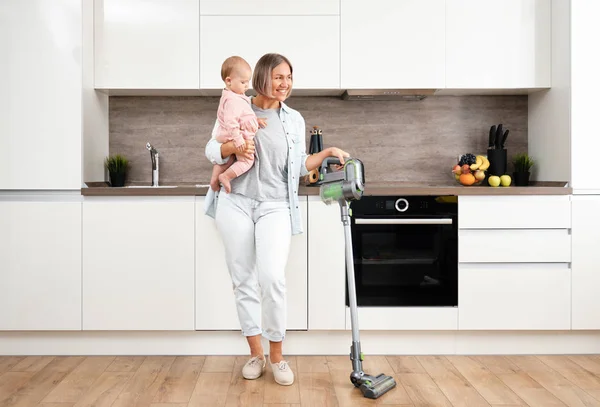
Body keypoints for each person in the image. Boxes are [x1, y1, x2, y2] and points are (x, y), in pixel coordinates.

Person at [204, 53, 349, 386]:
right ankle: (255, 354)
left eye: (289, 77)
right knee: (243, 279)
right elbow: (212, 150)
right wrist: (233, 150)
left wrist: (327, 153)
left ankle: (278, 357)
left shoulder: (293, 119)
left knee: (271, 278)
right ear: (262, 77)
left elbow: (298, 166)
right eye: (279, 77)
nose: (285, 84)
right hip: (235, 201)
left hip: (275, 206)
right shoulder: (237, 104)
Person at [209, 56, 262, 193]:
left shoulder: (236, 97)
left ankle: (219, 172)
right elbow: (232, 122)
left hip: (231, 137)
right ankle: (225, 176)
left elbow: (243, 116)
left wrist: (256, 121)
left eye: (248, 81)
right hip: (233, 137)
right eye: (243, 82)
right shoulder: (232, 100)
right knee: (246, 161)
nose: (247, 86)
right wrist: (237, 142)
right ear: (229, 81)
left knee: (230, 159)